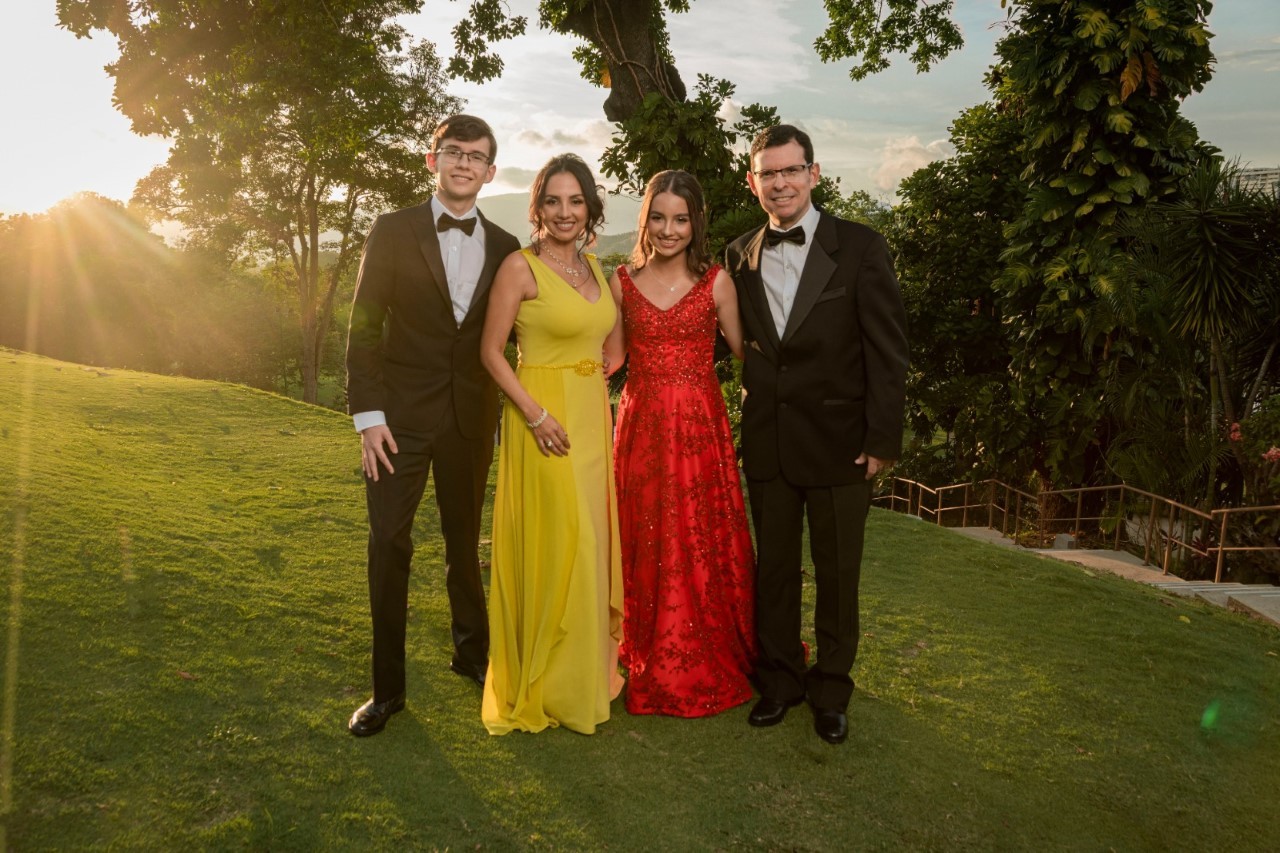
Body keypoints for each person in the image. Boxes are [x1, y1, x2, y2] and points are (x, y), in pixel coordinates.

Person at [724, 124, 908, 745]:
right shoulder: (738, 255)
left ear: (814, 173)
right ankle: (779, 682)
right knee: (773, 572)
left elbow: (888, 352)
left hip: (841, 444)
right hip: (769, 442)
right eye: (768, 173)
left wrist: (881, 440)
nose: (780, 183)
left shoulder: (860, 247)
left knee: (837, 574)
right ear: (752, 182)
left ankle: (831, 690)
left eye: (790, 170)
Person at [344, 115, 520, 737]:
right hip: (397, 422)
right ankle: (386, 690)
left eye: (476, 156)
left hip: (471, 419)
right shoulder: (393, 229)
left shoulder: (507, 245)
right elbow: (364, 325)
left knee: (464, 544)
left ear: (490, 172)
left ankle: (472, 655)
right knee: (389, 542)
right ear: (433, 160)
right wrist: (368, 417)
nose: (464, 163)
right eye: (454, 152)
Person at [478, 154, 624, 735]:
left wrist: (591, 374)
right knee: (563, 541)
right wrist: (536, 413)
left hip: (590, 417)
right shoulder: (520, 267)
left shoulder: (595, 268)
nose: (565, 212)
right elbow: (491, 352)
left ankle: (583, 677)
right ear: (537, 206)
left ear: (590, 207)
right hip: (540, 419)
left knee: (591, 543)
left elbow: (612, 346)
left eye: (576, 201)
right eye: (553, 201)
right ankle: (545, 682)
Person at [608, 170, 757, 717]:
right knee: (645, 532)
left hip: (700, 431)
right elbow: (611, 359)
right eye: (658, 217)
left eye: (680, 219)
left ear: (696, 223)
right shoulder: (621, 282)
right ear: (644, 218)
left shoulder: (717, 282)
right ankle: (641, 639)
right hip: (642, 427)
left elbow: (747, 354)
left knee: (697, 533)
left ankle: (708, 637)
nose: (668, 230)